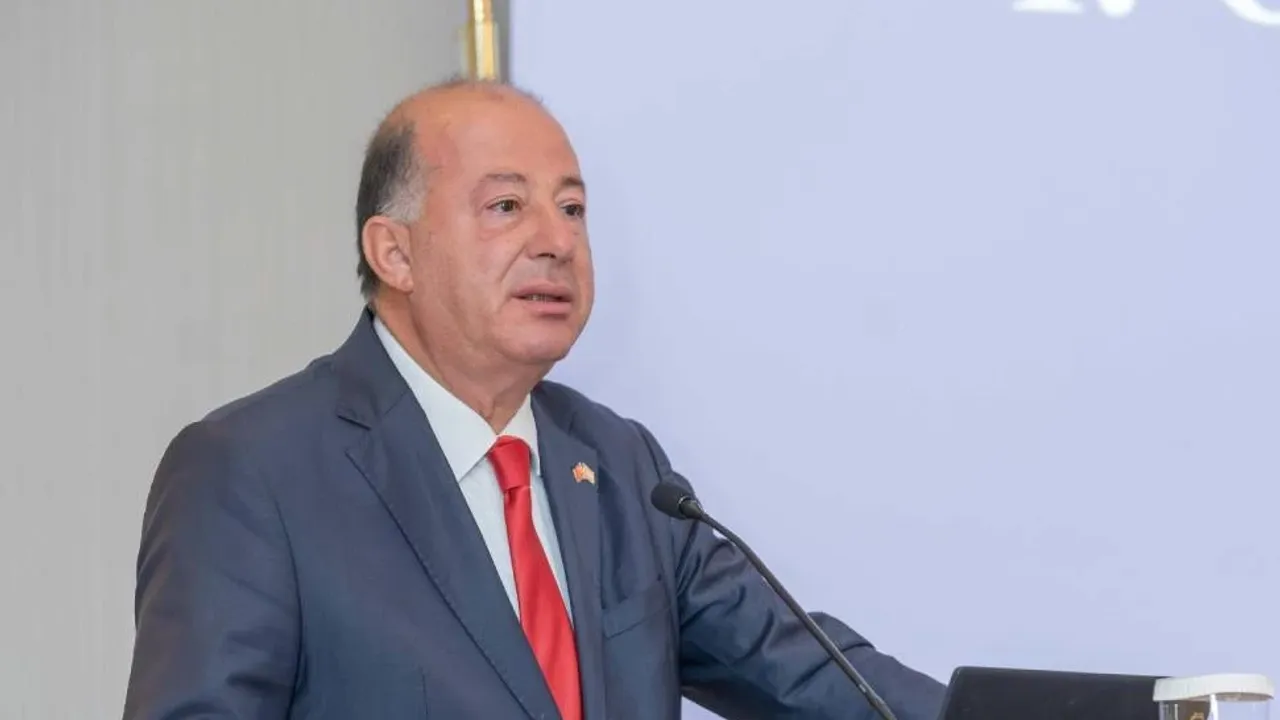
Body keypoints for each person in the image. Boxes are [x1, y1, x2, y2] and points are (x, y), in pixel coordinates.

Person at [122, 78, 947, 720]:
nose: (557, 241)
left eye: (573, 208)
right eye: (507, 206)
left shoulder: (621, 464)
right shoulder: (253, 473)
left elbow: (817, 679)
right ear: (394, 253)